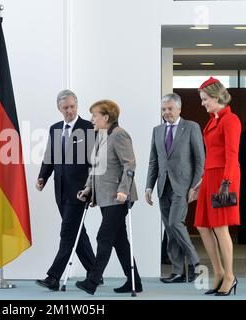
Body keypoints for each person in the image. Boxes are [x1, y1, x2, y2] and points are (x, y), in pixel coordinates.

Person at [75, 99, 142, 295]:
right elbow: (95, 167)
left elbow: (130, 165)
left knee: (104, 237)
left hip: (117, 197)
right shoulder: (102, 135)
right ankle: (134, 282)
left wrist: (123, 190)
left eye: (94, 115)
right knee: (120, 241)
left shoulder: (120, 135)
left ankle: (92, 281)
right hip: (104, 197)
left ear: (106, 117)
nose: (91, 119)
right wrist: (88, 188)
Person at [35, 89, 97, 291]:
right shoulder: (55, 128)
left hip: (80, 191)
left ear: (77, 105)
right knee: (78, 232)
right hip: (59, 190)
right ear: (59, 109)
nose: (70, 111)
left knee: (68, 233)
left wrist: (91, 188)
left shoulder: (89, 128)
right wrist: (43, 177)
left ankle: (53, 277)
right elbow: (49, 156)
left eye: (72, 106)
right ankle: (95, 272)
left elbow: (95, 162)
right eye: (65, 108)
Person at [145, 93, 205, 283]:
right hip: (163, 186)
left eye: (170, 109)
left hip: (183, 186)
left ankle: (196, 263)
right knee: (170, 230)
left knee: (174, 223)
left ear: (179, 109)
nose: (166, 113)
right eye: (164, 109)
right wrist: (148, 187)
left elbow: (199, 159)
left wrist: (195, 186)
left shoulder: (191, 127)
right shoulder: (157, 130)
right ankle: (178, 271)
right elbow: (153, 162)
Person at [192, 77, 241, 296]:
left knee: (221, 227)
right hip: (209, 176)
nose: (202, 103)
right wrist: (201, 181)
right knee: (202, 225)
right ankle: (218, 272)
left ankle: (230, 276)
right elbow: (211, 154)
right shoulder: (213, 120)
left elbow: (232, 155)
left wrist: (226, 183)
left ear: (216, 97)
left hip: (224, 177)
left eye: (204, 99)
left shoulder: (231, 120)